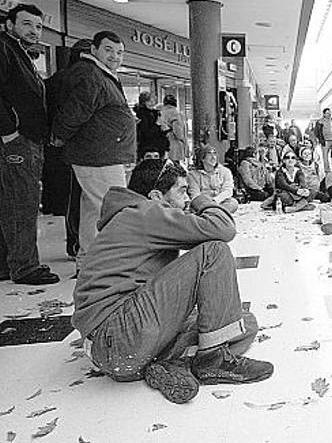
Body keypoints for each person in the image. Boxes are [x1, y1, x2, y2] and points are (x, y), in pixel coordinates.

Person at [72, 159, 272, 404]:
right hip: (119, 333)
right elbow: (223, 229)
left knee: (243, 323)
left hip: (114, 350)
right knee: (214, 252)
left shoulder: (134, 215)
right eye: (182, 190)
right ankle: (211, 360)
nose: (186, 198)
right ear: (157, 195)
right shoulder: (145, 212)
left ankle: (168, 364)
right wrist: (201, 199)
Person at [52, 30, 136, 273]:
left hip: (100, 154)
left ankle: (89, 261)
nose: (115, 56)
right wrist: (59, 138)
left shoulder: (100, 75)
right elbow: (73, 113)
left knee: (93, 208)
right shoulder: (91, 76)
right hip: (98, 156)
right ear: (94, 49)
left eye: (119, 52)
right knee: (112, 209)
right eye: (109, 50)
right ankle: (111, 266)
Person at [0, 3, 59, 285]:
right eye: (26, 24)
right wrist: (9, 133)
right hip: (17, 142)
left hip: (26, 140)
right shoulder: (4, 48)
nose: (34, 31)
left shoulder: (21, 53)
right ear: (10, 24)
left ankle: (8, 264)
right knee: (22, 203)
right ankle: (25, 267)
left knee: (12, 201)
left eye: (37, 26)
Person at [45, 38, 92, 261]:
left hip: (66, 149)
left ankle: (78, 244)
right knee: (79, 198)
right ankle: (78, 245)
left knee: (76, 198)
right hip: (76, 149)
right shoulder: (79, 79)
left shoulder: (58, 79)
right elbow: (74, 113)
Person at [187, 145, 238, 213]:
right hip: (203, 204)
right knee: (194, 206)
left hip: (220, 202)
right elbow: (195, 194)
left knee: (233, 203)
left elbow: (228, 191)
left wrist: (216, 200)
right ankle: (218, 213)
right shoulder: (192, 175)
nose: (213, 157)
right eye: (209, 154)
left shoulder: (225, 171)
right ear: (202, 158)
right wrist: (207, 203)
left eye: (214, 154)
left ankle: (213, 213)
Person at [134, 91, 168, 160]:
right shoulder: (142, 114)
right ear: (143, 102)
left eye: (153, 101)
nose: (152, 103)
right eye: (149, 101)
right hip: (148, 147)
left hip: (157, 145)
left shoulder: (154, 113)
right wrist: (157, 124)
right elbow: (146, 132)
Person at [159, 94, 188, 165]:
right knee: (174, 166)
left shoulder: (160, 112)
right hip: (173, 144)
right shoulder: (175, 113)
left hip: (162, 143)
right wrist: (184, 141)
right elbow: (178, 131)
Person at [315, 108, 332, 173]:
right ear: (324, 114)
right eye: (327, 113)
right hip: (325, 141)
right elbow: (317, 132)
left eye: (330, 113)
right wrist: (320, 139)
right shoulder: (319, 122)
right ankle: (327, 170)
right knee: (325, 156)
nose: (329, 114)